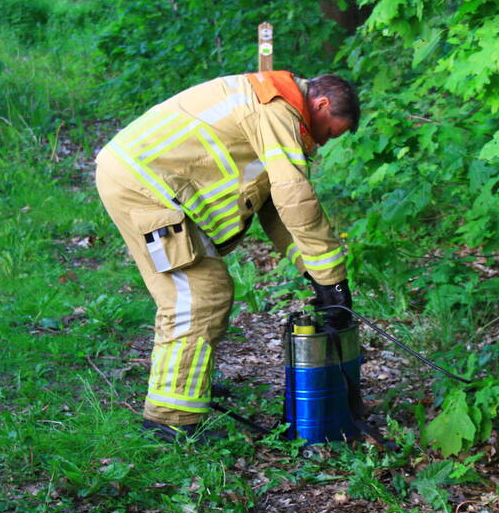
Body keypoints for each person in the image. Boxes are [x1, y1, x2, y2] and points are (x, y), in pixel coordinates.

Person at [94, 70, 359, 442]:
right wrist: (333, 280)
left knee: (201, 292)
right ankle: (170, 422)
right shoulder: (276, 109)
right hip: (144, 184)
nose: (326, 142)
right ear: (321, 104)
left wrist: (314, 272)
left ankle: (189, 387)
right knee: (199, 295)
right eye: (331, 131)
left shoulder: (275, 107)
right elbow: (295, 198)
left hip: (145, 179)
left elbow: (276, 210)